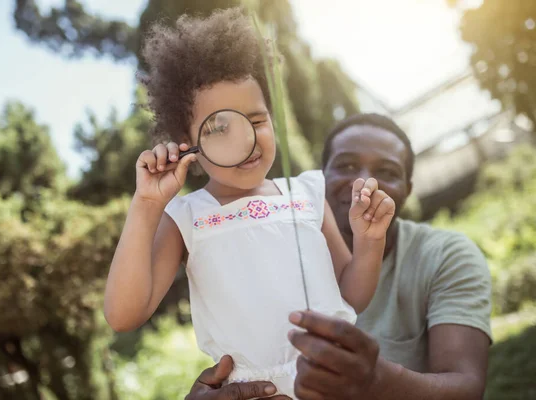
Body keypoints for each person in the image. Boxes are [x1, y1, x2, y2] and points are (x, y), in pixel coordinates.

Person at [103, 9, 396, 398]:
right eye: (220, 129)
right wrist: (145, 204)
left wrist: (369, 241)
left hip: (336, 383)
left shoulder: (307, 192)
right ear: (186, 142)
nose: (248, 141)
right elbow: (124, 314)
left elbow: (350, 295)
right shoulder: (185, 218)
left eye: (257, 121)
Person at [186, 113, 492, 400]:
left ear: (408, 189)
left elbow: (466, 387)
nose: (364, 183)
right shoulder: (263, 262)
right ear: (317, 179)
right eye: (346, 166)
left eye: (387, 172)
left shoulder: (446, 256)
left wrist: (377, 381)